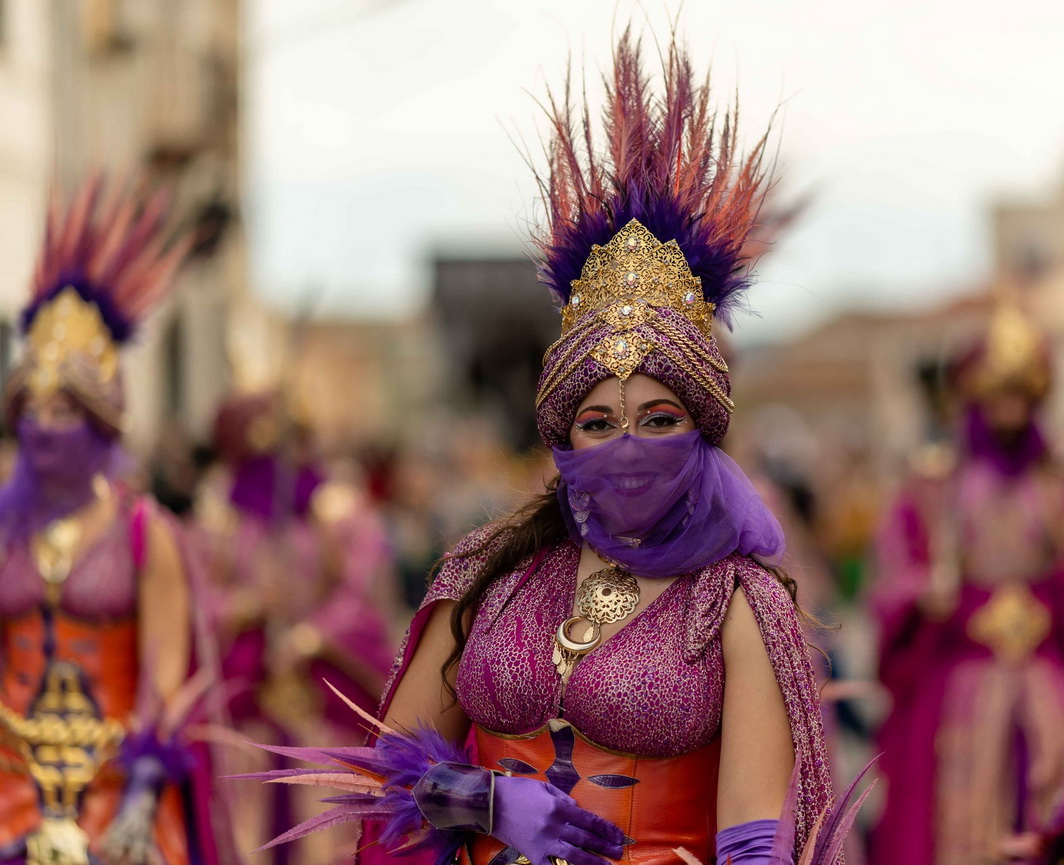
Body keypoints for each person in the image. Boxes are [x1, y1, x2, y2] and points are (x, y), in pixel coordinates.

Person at [251, 30, 846, 865]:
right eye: (598, 423)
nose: (627, 447)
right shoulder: (490, 573)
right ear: (563, 437)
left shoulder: (737, 604)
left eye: (658, 420)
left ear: (704, 432)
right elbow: (386, 774)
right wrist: (483, 799)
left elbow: (756, 841)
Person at [871, 299, 1064, 865]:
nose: (1009, 408)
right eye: (998, 395)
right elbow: (891, 579)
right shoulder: (936, 484)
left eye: (1020, 396)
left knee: (1060, 803)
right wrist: (925, 593)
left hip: (1049, 682)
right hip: (960, 679)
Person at [0, 179, 229, 863]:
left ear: (102, 419)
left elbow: (165, 681)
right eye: (34, 408)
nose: (45, 427)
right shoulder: (4, 526)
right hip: (8, 784)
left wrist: (143, 791)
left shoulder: (143, 531)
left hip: (119, 790)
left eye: (66, 410)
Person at [196, 387, 396, 863]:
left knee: (328, 816)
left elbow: (362, 588)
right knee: (243, 811)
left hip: (323, 688)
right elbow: (198, 591)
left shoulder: (338, 508)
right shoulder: (220, 512)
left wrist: (314, 634)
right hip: (249, 684)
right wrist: (243, 606)